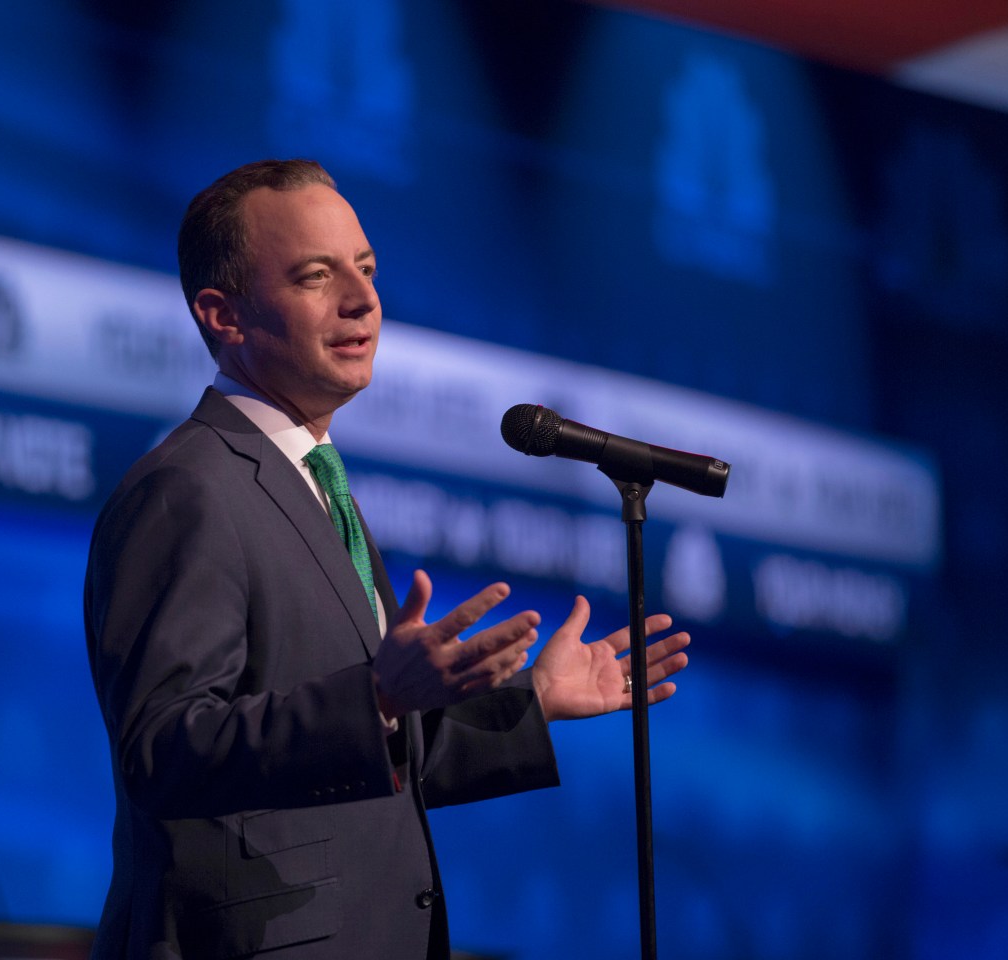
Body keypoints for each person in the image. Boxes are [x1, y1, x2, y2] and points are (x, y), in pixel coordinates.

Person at [83, 159, 690, 959]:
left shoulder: (319, 484)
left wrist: (530, 701)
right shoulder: (187, 489)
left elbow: (374, 752)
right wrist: (371, 694)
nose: (363, 299)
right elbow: (164, 750)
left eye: (366, 269)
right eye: (315, 275)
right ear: (223, 316)